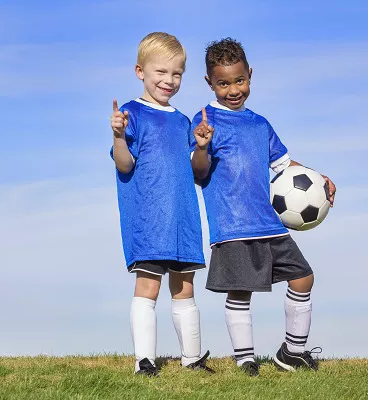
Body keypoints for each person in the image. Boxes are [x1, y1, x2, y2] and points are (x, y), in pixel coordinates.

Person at [190, 38, 337, 376]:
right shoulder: (205, 123)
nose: (232, 89)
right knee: (241, 292)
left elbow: (285, 166)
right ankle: (245, 360)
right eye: (223, 83)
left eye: (239, 80)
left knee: (303, 278)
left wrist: (319, 177)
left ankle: (292, 353)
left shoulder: (260, 124)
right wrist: (201, 146)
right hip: (233, 225)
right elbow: (199, 173)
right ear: (209, 83)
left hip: (269, 223)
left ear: (250, 75)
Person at [110, 32, 212, 376]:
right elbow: (124, 164)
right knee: (149, 285)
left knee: (184, 287)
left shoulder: (183, 120)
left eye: (177, 74)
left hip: (183, 217)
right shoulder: (130, 113)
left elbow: (199, 173)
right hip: (149, 218)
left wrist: (199, 147)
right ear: (140, 71)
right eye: (161, 73)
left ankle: (193, 359)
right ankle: (145, 362)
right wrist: (119, 136)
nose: (169, 81)